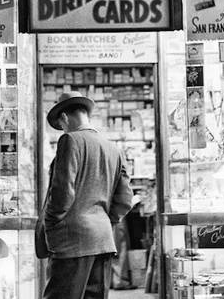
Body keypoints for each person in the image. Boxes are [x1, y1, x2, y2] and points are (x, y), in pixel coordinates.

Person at [40, 91, 133, 299]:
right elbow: (125, 198)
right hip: (102, 240)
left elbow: (62, 193)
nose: (62, 129)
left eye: (61, 124)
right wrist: (104, 221)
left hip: (71, 240)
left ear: (64, 118)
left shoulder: (70, 140)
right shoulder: (113, 148)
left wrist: (51, 223)